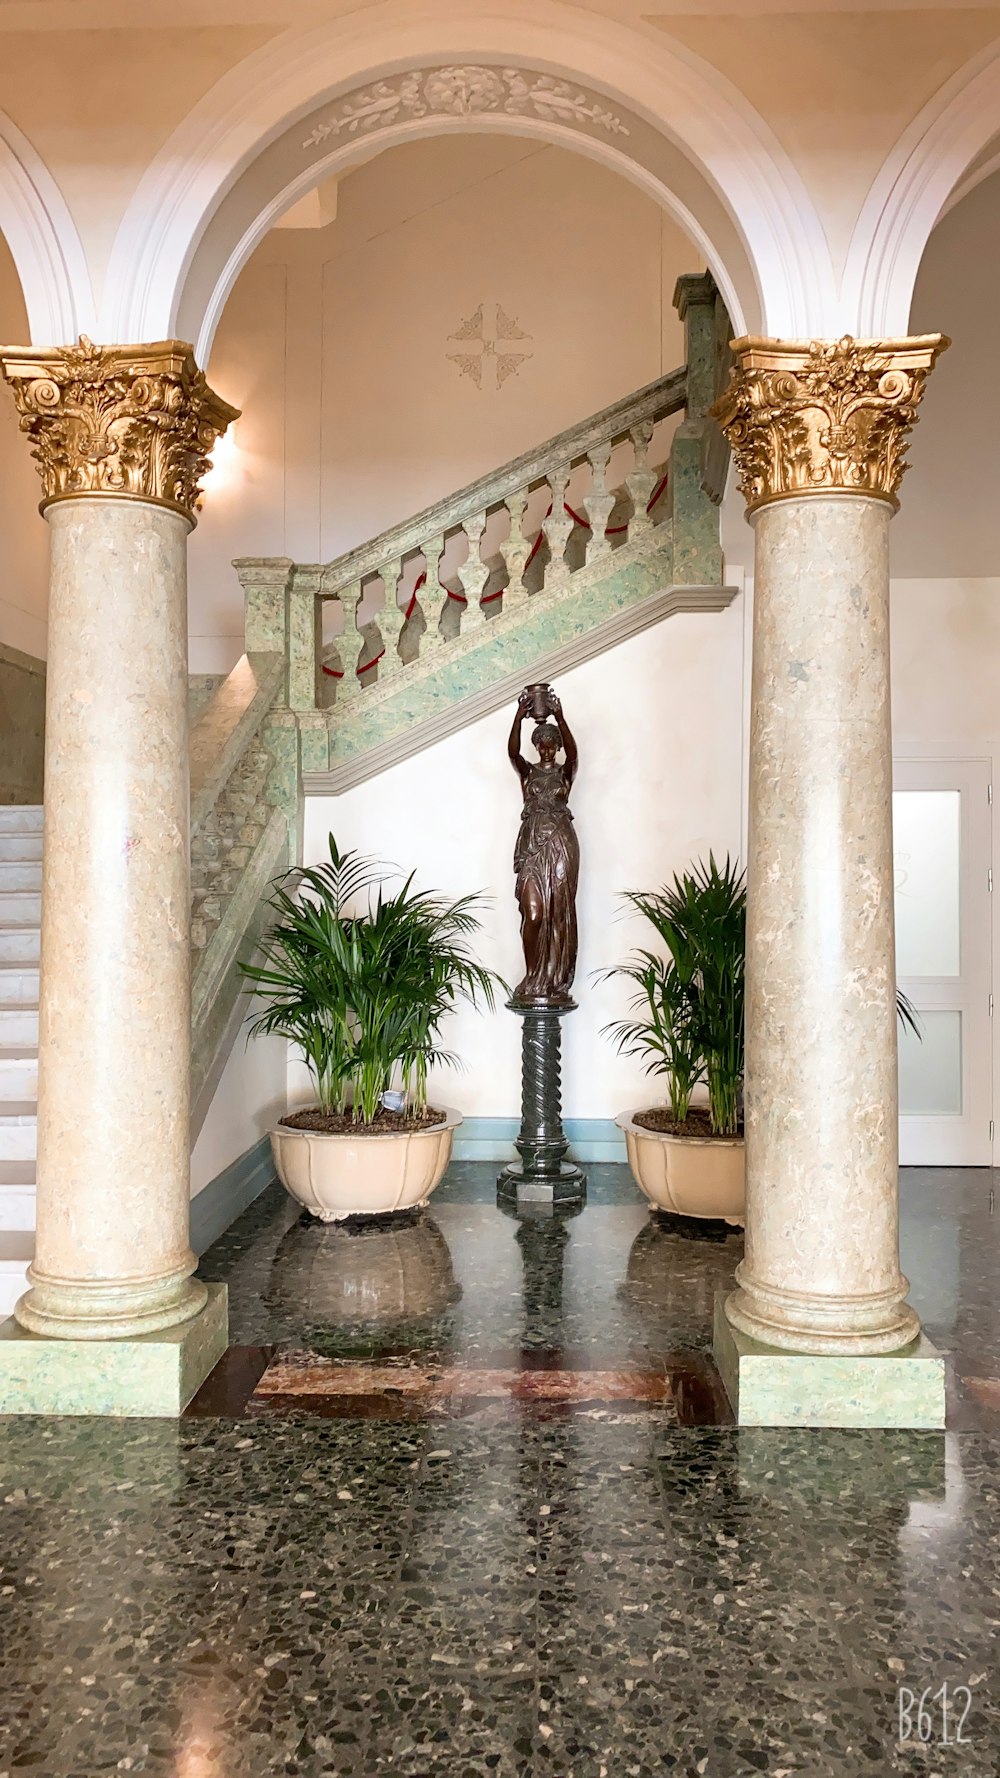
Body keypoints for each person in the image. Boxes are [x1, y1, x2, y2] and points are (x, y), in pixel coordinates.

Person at [507, 687, 580, 1004]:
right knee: (533, 913)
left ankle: (552, 980)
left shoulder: (565, 773)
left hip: (561, 843)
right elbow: (512, 755)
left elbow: (575, 756)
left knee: (558, 912)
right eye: (542, 745)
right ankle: (533, 976)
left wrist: (560, 716)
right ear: (536, 747)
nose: (547, 750)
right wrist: (518, 718)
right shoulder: (528, 774)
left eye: (552, 745)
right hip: (532, 845)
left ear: (558, 746)